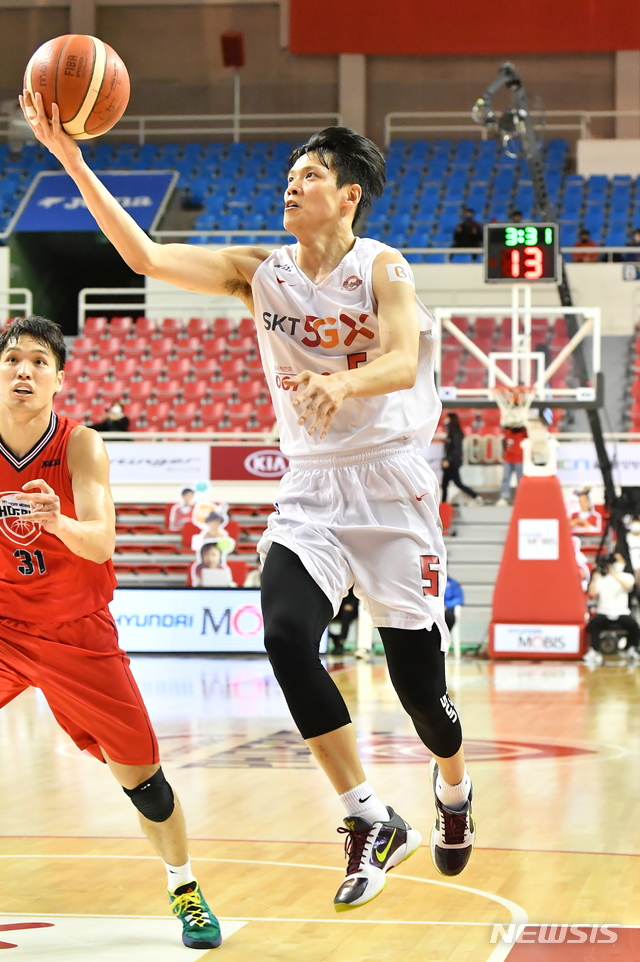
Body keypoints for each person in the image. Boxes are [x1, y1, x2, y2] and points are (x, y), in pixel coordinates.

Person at [23, 99, 474, 911]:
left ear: (348, 196)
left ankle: (453, 785)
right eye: (290, 175)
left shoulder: (383, 267)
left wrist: (340, 383)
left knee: (424, 701)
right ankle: (368, 816)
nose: (292, 185)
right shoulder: (259, 271)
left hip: (392, 484)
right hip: (311, 487)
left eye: (311, 175)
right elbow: (145, 255)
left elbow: (404, 358)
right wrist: (75, 163)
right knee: (284, 634)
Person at [0, 315, 220, 950]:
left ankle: (184, 888)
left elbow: (100, 544)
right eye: (12, 359)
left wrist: (57, 521)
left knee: (145, 784)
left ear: (59, 380)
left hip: (76, 633)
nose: (23, 371)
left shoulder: (81, 445)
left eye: (39, 361)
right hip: (4, 626)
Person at [585, 549, 639, 665]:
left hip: (622, 612)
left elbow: (629, 587)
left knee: (634, 625)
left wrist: (614, 573)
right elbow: (592, 592)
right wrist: (595, 576)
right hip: (603, 612)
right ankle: (594, 650)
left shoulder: (627, 576)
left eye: (618, 560)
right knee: (593, 625)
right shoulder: (601, 578)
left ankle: (631, 649)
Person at [441, 412, 482, 504]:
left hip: (452, 464)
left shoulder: (456, 433)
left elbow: (457, 449)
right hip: (449, 463)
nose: (445, 421)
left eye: (447, 419)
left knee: (457, 483)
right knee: (445, 485)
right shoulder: (450, 433)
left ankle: (475, 495)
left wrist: (448, 460)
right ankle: (443, 504)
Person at [496, 424, 526, 506]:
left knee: (520, 480)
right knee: (505, 479)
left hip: (519, 459)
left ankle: (521, 497)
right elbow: (504, 441)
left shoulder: (523, 432)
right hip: (508, 459)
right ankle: (504, 497)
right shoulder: (507, 431)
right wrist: (504, 452)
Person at [328, 587, 359, 654]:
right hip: (337, 606)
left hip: (350, 607)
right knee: (324, 614)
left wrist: (352, 604)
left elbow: (356, 593)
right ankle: (332, 637)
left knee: (346, 615)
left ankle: (340, 642)